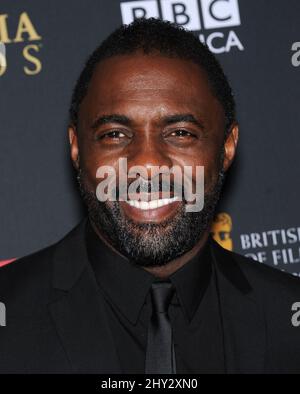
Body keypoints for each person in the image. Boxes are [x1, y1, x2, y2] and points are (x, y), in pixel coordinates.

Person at [1, 18, 300, 374]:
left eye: (180, 133)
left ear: (227, 146)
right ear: (77, 148)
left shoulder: (287, 320)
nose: (146, 164)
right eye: (114, 134)